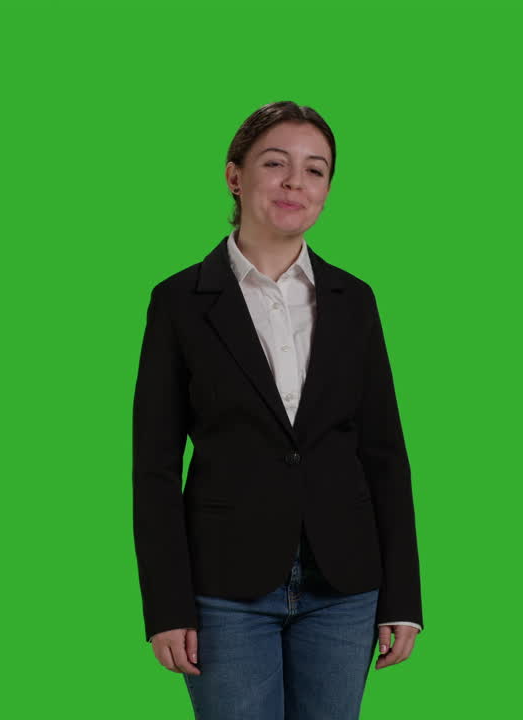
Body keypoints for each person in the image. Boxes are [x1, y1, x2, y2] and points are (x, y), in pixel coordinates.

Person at [131, 101, 422, 719]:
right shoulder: (180, 301)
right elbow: (154, 466)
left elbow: (384, 453)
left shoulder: (354, 300)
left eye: (316, 170)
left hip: (344, 585)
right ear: (235, 176)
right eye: (275, 163)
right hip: (224, 590)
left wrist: (403, 596)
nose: (296, 182)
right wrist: (167, 606)